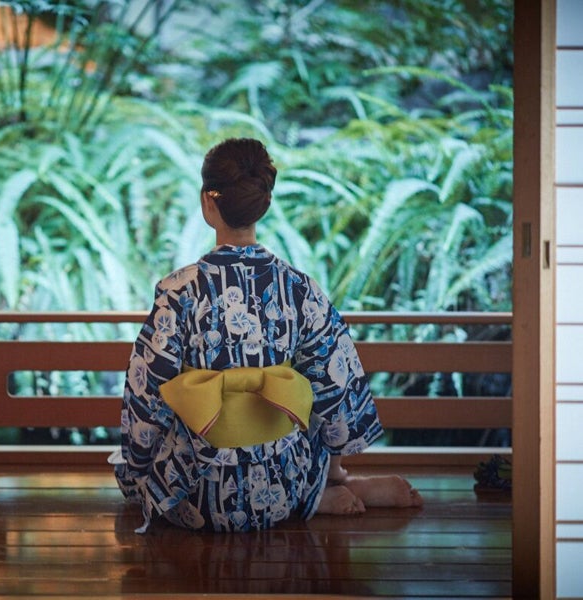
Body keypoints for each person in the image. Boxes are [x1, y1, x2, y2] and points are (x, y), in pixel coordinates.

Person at [113, 137, 423, 533]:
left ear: (208, 202)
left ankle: (319, 495)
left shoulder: (178, 291)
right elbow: (335, 382)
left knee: (139, 467)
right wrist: (336, 463)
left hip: (194, 496)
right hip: (281, 486)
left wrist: (136, 467)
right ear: (264, 201)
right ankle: (323, 489)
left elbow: (146, 393)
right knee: (312, 403)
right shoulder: (299, 287)